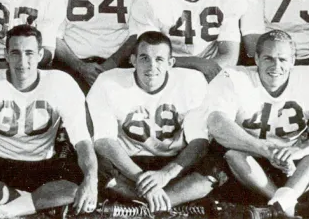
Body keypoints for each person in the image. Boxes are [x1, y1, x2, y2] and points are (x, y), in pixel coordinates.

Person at [205, 30, 309, 218]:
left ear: (293, 61)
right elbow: (216, 123)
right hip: (253, 157)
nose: (276, 66)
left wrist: (301, 150)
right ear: (256, 59)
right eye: (268, 58)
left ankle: (278, 206)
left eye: (283, 59)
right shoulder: (234, 78)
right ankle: (285, 205)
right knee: (233, 153)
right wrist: (264, 148)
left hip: (295, 161)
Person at [0, 25, 98, 218]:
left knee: (74, 189)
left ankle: (4, 212)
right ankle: (34, 204)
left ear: (40, 55)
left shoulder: (61, 83)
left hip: (42, 164)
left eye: (29, 53)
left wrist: (91, 179)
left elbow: (82, 141)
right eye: (15, 53)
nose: (22, 61)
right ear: (5, 55)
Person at [89, 31, 220, 213]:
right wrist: (143, 178)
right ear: (133, 61)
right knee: (96, 164)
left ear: (170, 63)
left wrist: (165, 174)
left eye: (159, 59)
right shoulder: (108, 82)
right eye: (144, 58)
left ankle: (140, 206)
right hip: (128, 162)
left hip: (173, 160)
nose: (151, 66)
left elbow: (199, 141)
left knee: (215, 166)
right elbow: (104, 141)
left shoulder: (191, 81)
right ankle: (169, 201)